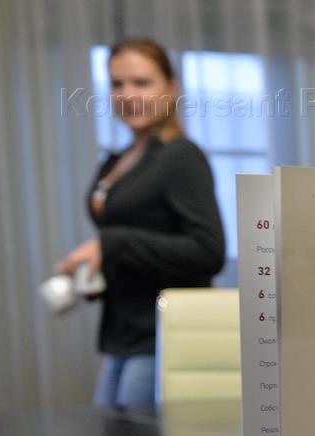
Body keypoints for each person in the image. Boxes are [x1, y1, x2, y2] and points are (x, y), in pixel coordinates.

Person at [57, 38, 224, 408]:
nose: (128, 95)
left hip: (163, 336)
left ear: (172, 87)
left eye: (142, 82)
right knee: (112, 435)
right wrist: (96, 272)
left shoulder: (180, 156)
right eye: (117, 84)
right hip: (123, 333)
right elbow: (142, 242)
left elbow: (208, 250)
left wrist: (110, 245)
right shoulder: (117, 160)